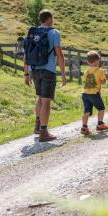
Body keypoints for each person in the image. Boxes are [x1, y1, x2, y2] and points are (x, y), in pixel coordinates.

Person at [23, 10, 67, 142]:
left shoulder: (33, 32)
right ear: (49, 19)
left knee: (40, 99)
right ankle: (44, 131)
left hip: (35, 70)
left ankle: (37, 126)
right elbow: (59, 54)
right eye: (52, 18)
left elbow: (26, 54)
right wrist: (63, 74)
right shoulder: (54, 33)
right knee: (46, 100)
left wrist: (26, 73)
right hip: (48, 70)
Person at [80, 51, 108, 136]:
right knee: (101, 109)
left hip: (85, 93)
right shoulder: (100, 70)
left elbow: (84, 81)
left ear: (88, 62)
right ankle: (100, 124)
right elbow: (103, 82)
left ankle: (84, 127)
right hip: (94, 93)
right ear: (97, 61)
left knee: (87, 111)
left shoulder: (86, 71)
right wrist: (103, 78)